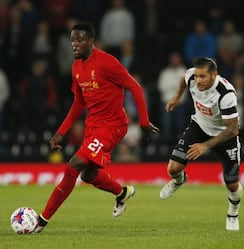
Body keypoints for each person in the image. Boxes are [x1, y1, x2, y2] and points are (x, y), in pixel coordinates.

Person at [34, 22, 158, 233]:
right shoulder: (76, 67)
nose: (75, 44)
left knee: (72, 166)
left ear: (91, 41)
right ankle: (122, 193)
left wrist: (144, 122)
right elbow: (78, 103)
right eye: (73, 39)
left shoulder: (107, 62)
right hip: (93, 126)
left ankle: (42, 220)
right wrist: (60, 132)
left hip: (113, 125)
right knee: (88, 175)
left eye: (80, 39)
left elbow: (135, 88)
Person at [159, 57, 243, 231]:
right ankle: (180, 180)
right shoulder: (191, 76)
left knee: (232, 183)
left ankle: (233, 213)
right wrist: (177, 97)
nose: (198, 80)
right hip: (199, 126)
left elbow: (233, 130)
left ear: (214, 75)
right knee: (173, 168)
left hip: (224, 136)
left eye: (203, 76)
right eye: (197, 76)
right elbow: (184, 77)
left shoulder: (225, 94)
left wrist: (205, 146)